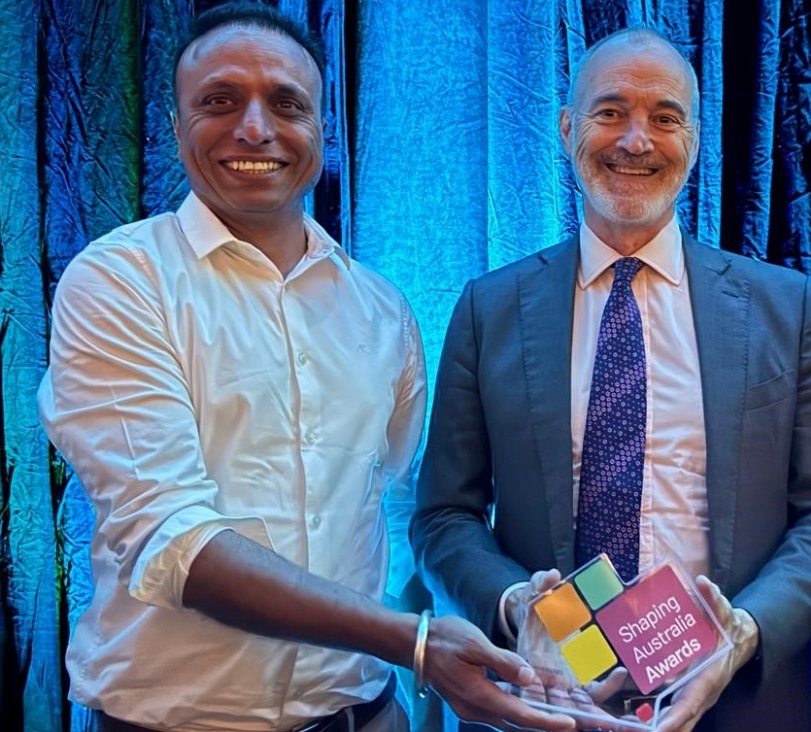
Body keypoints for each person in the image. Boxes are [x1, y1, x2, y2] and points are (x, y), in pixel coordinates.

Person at [37, 3, 576, 731]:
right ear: (174, 128)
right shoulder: (119, 282)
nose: (254, 128)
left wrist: (518, 604)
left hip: (364, 715)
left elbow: (379, 493)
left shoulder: (382, 311)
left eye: (287, 104)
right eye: (219, 101)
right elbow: (174, 541)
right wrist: (414, 643)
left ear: (324, 132)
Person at [410, 27, 811, 732]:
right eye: (610, 112)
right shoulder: (489, 309)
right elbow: (444, 516)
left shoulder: (785, 307)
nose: (635, 140)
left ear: (693, 137)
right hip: (541, 699)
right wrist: (516, 605)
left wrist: (744, 630)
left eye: (664, 118)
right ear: (568, 128)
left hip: (738, 702)